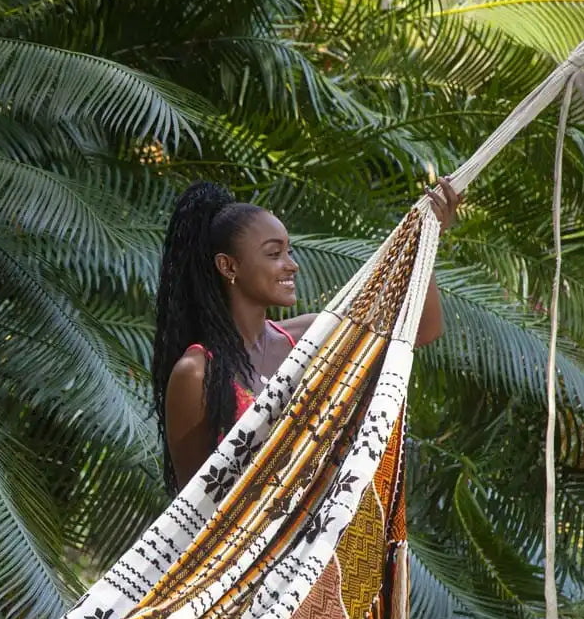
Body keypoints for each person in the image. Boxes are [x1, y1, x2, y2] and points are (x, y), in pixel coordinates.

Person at [151, 180, 460, 495]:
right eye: (274, 254)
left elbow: (422, 329)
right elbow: (189, 508)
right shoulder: (197, 374)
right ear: (228, 266)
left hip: (320, 540)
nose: (292, 265)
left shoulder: (309, 339)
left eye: (289, 250)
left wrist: (427, 240)